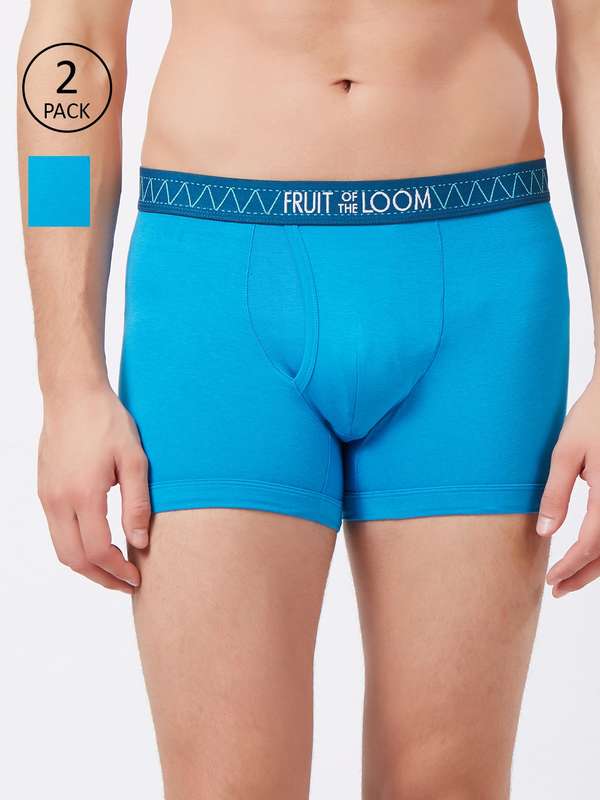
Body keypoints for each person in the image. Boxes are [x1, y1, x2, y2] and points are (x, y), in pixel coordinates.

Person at [17, 1, 600, 798]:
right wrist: (68, 381)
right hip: (214, 286)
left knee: (449, 785)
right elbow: (74, 41)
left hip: (481, 287)